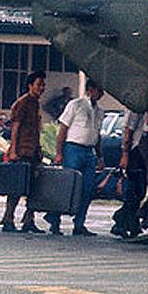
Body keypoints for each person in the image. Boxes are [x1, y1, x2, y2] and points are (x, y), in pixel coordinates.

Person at [45, 79, 105, 236]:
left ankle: (79, 224)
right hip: (73, 149)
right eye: (99, 90)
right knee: (68, 187)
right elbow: (63, 130)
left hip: (88, 151)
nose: (102, 94)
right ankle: (54, 221)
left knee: (87, 189)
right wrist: (59, 152)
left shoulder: (100, 111)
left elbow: (97, 136)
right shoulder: (76, 105)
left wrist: (99, 157)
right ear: (90, 89)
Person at [0, 70, 46, 234]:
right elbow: (16, 126)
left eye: (43, 85)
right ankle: (8, 219)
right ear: (30, 85)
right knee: (16, 186)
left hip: (33, 150)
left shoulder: (36, 103)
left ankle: (28, 220)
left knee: (34, 187)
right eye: (39, 84)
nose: (42, 88)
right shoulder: (23, 102)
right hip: (22, 150)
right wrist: (13, 150)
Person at [110, 109, 147, 238]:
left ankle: (121, 220)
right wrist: (125, 154)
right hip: (135, 151)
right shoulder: (135, 110)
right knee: (134, 191)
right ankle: (131, 223)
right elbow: (128, 132)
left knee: (140, 191)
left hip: (145, 151)